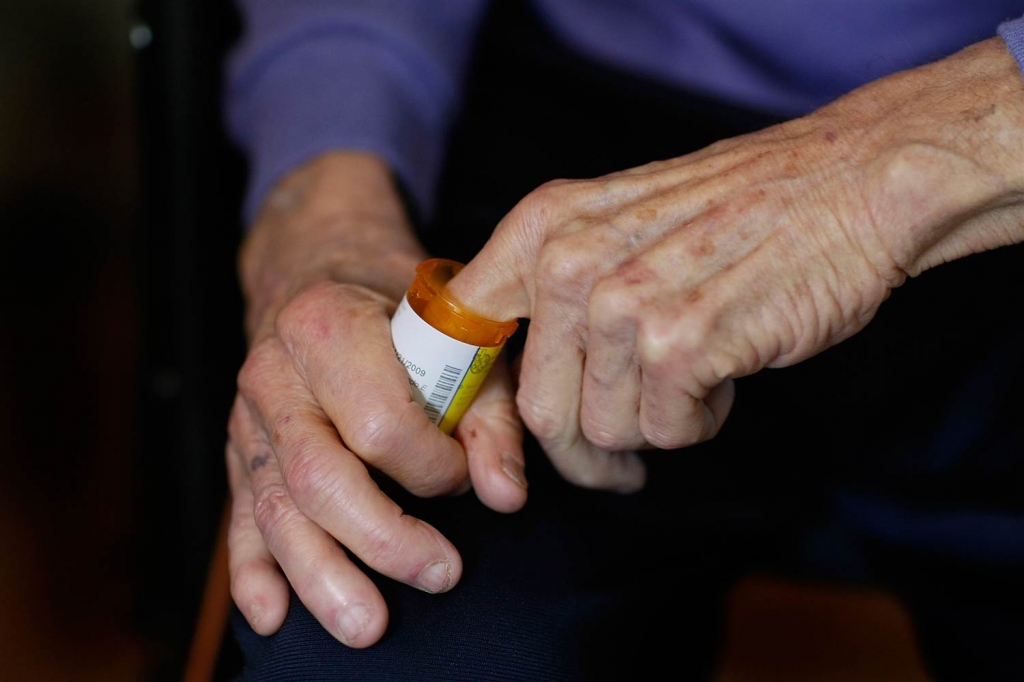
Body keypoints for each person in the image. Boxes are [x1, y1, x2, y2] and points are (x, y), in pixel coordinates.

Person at [222, 2, 1024, 679]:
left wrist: (888, 171)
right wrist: (330, 216)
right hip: (572, 148)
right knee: (370, 634)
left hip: (991, 150)